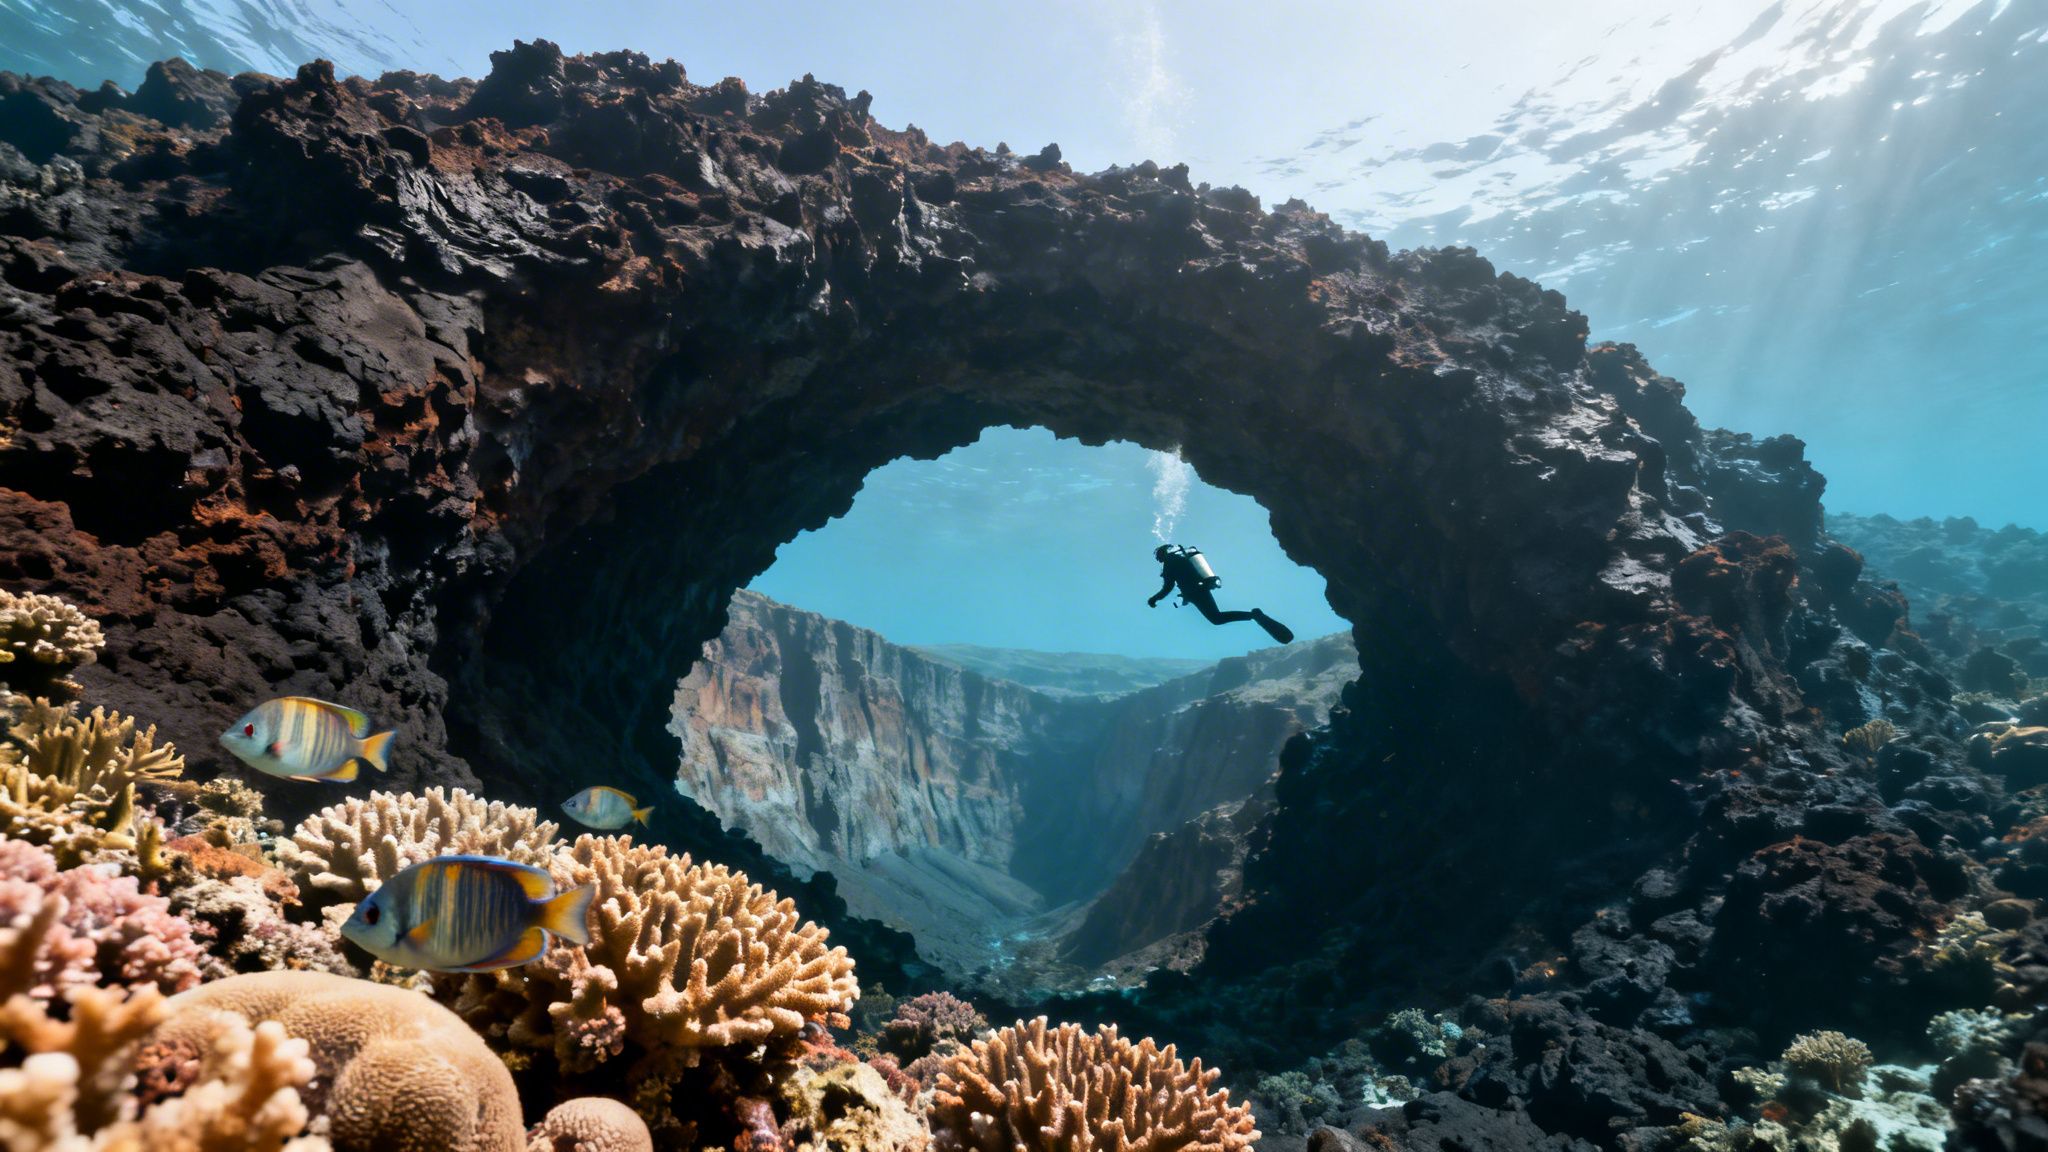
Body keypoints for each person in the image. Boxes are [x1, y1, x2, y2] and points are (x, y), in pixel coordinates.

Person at [1147, 544, 1294, 644]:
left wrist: (1154, 599)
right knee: (1217, 618)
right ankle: (1253, 615)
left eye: (1157, 556)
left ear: (1162, 554)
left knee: (1216, 618)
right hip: (1199, 590)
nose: (1157, 559)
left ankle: (1254, 615)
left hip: (1197, 592)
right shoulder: (1180, 559)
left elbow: (1168, 587)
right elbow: (1186, 579)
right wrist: (1185, 597)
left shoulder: (1170, 564)